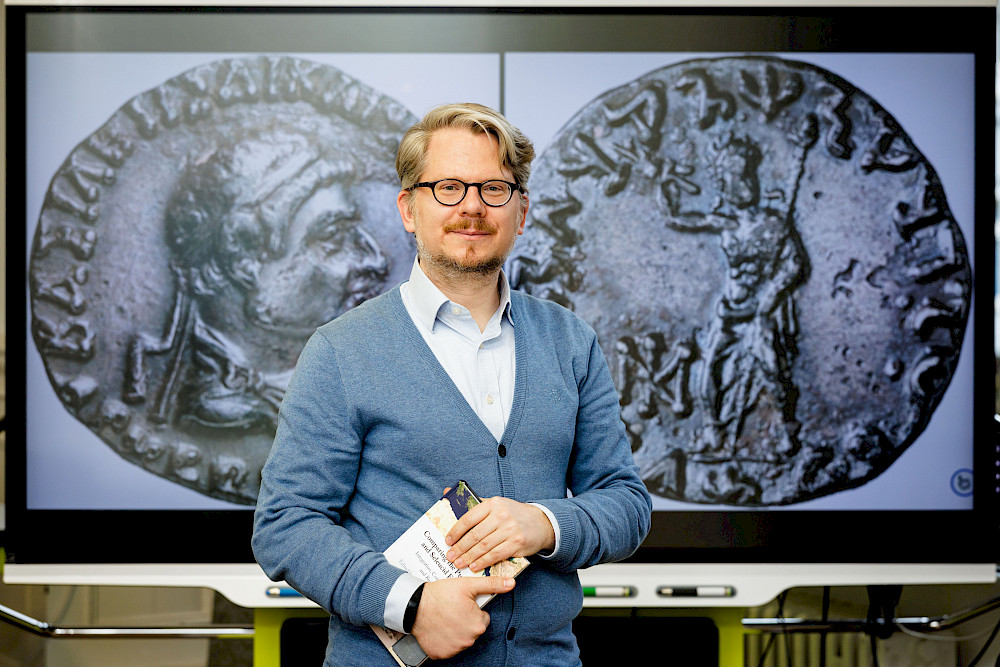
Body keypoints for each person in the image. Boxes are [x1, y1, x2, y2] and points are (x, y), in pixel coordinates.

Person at [252, 103, 652, 666]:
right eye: (447, 187)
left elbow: (627, 505)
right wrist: (411, 604)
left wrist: (543, 524)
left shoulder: (571, 342)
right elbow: (285, 525)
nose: (471, 207)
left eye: (494, 188)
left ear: (522, 210)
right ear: (408, 208)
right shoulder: (341, 351)